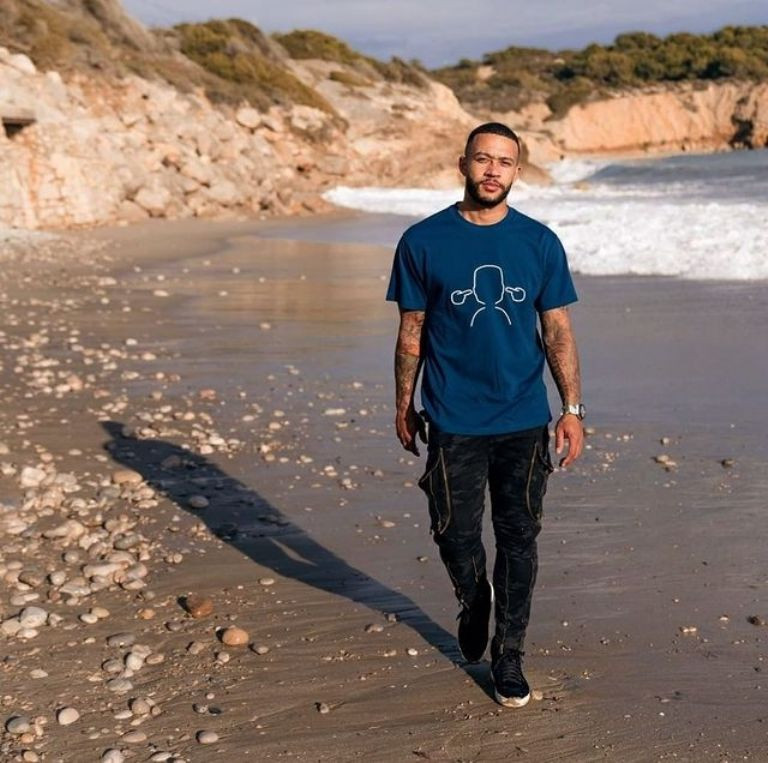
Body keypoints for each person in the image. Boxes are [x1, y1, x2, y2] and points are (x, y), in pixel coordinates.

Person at [386, 122, 584, 708]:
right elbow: (411, 332)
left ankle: (509, 657)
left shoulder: (539, 243)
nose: (493, 170)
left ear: (517, 172)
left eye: (505, 161)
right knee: (453, 533)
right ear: (463, 165)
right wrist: (403, 404)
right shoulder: (422, 241)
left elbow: (557, 331)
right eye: (483, 159)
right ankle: (474, 599)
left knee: (520, 540)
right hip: (452, 418)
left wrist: (571, 409)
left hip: (524, 417)